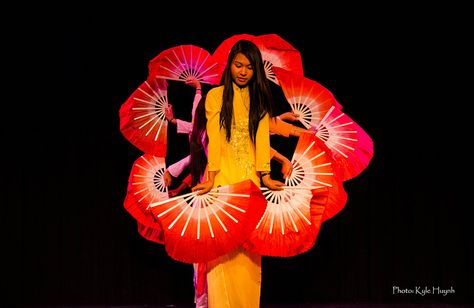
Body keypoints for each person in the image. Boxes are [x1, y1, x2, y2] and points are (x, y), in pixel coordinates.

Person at [191, 39, 284, 308]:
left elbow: (262, 140)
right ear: (230, 65)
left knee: (248, 258)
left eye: (249, 67)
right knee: (221, 257)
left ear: (256, 71)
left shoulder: (260, 99)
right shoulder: (215, 96)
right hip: (222, 182)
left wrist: (265, 176)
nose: (242, 72)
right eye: (238, 65)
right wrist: (211, 178)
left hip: (250, 184)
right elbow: (216, 139)